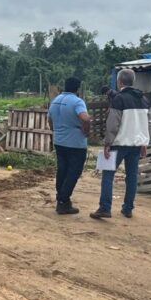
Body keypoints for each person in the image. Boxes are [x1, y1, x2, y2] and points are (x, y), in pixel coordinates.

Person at [93, 69, 151, 220]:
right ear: (133, 82)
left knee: (108, 174)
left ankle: (105, 208)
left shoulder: (119, 99)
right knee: (132, 176)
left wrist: (107, 143)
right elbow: (149, 123)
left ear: (120, 82)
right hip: (136, 145)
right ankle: (128, 208)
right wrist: (145, 142)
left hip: (119, 143)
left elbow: (113, 124)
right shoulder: (144, 100)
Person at [47, 76, 91, 215]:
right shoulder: (77, 102)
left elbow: (49, 119)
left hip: (59, 141)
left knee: (62, 170)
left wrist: (55, 130)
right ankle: (63, 201)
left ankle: (61, 198)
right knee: (73, 172)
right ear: (77, 89)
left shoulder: (56, 101)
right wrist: (86, 131)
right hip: (75, 143)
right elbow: (85, 118)